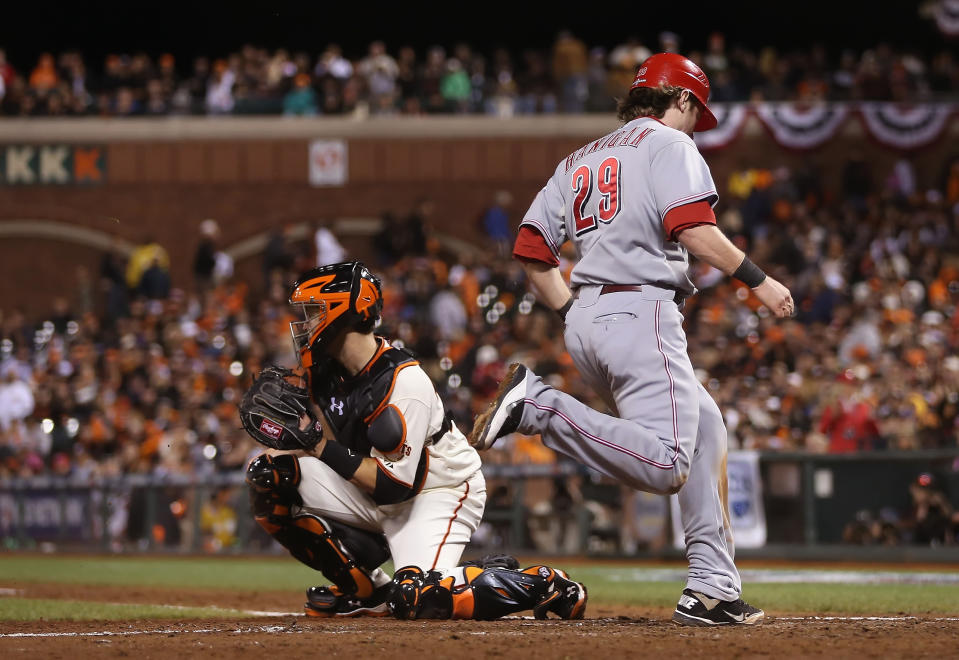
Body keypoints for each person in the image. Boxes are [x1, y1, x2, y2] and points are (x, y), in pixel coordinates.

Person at [470, 53, 795, 627]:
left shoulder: (579, 158)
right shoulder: (669, 144)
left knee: (706, 427)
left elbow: (531, 250)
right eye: (699, 112)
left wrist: (573, 310)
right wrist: (760, 281)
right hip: (640, 309)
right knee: (670, 462)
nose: (698, 125)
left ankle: (712, 588)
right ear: (685, 100)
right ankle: (539, 408)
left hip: (586, 316)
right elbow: (693, 227)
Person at [240, 261, 587, 620]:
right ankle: (366, 590)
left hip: (436, 490)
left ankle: (541, 583)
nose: (305, 323)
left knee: (416, 597)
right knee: (268, 474)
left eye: (314, 311)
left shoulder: (403, 382)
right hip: (373, 483)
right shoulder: (323, 370)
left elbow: (393, 486)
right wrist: (287, 441)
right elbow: (320, 444)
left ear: (342, 311)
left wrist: (316, 445)